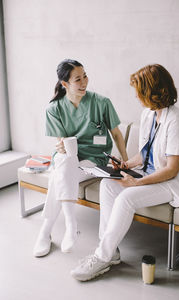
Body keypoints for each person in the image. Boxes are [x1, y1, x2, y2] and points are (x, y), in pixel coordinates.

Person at [71, 64, 179, 281]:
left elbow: (171, 169)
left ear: (153, 91)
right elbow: (145, 153)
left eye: (139, 92)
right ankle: (110, 252)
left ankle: (102, 256)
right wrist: (127, 165)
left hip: (172, 180)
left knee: (126, 198)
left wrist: (137, 184)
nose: (137, 97)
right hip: (149, 173)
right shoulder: (149, 114)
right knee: (108, 185)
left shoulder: (177, 122)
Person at [33, 59, 128, 257]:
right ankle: (70, 225)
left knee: (59, 174)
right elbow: (62, 143)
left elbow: (117, 135)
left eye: (85, 76)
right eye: (78, 79)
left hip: (93, 161)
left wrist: (124, 162)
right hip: (68, 161)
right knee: (65, 162)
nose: (84, 81)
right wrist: (59, 146)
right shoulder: (54, 109)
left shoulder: (101, 102)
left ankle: (46, 232)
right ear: (64, 84)